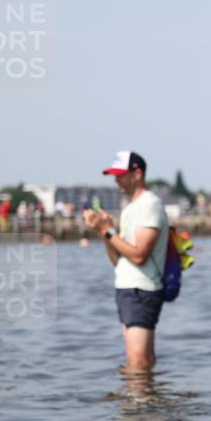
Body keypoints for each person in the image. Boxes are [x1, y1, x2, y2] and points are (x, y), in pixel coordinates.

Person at [84, 151, 169, 371]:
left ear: (137, 174)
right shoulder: (130, 208)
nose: (116, 180)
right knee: (140, 360)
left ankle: (139, 404)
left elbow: (139, 255)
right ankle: (143, 402)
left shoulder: (149, 204)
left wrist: (108, 231)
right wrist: (104, 233)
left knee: (138, 361)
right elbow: (120, 261)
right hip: (128, 288)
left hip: (142, 289)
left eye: (121, 174)